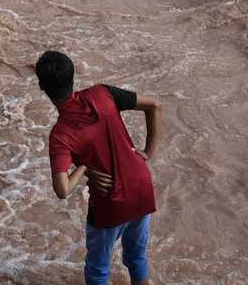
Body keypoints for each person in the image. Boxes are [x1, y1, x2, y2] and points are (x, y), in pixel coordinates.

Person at [36, 50, 160, 285]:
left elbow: (62, 189)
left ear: (42, 87)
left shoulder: (61, 135)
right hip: (142, 185)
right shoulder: (102, 93)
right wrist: (149, 151)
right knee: (137, 257)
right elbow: (153, 106)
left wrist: (83, 167)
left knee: (97, 271)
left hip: (111, 200)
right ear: (72, 76)